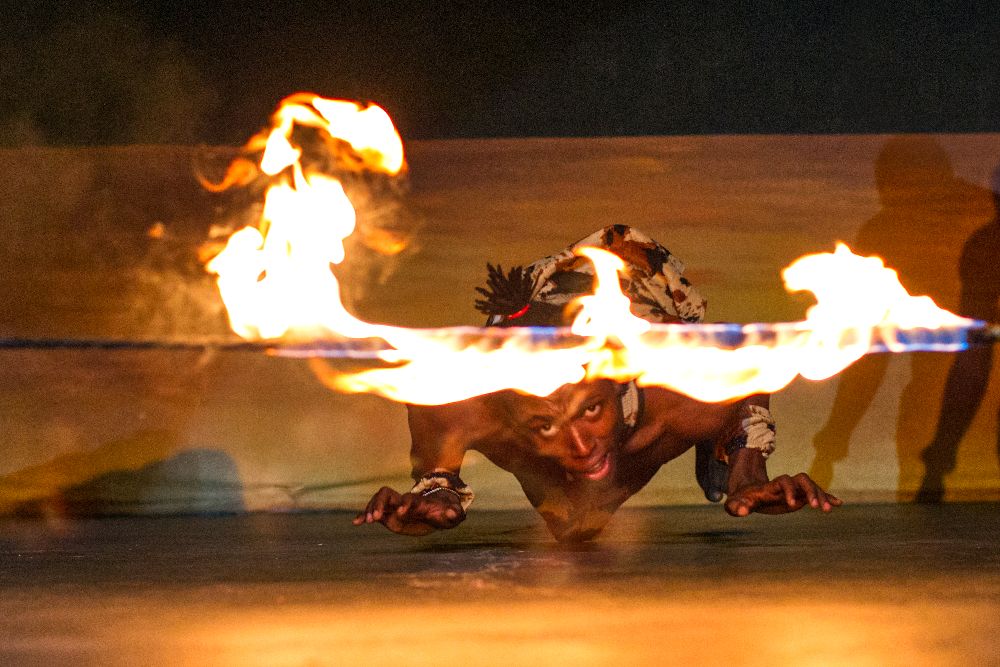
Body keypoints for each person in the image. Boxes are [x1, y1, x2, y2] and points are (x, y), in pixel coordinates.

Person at [354, 225, 841, 541]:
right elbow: (437, 466)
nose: (581, 446)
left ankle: (715, 456)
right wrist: (435, 493)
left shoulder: (683, 391)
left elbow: (749, 373)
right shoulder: (461, 400)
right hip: (535, 342)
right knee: (573, 525)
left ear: (620, 380)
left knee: (715, 417)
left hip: (654, 314)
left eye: (591, 411)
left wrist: (748, 474)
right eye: (544, 425)